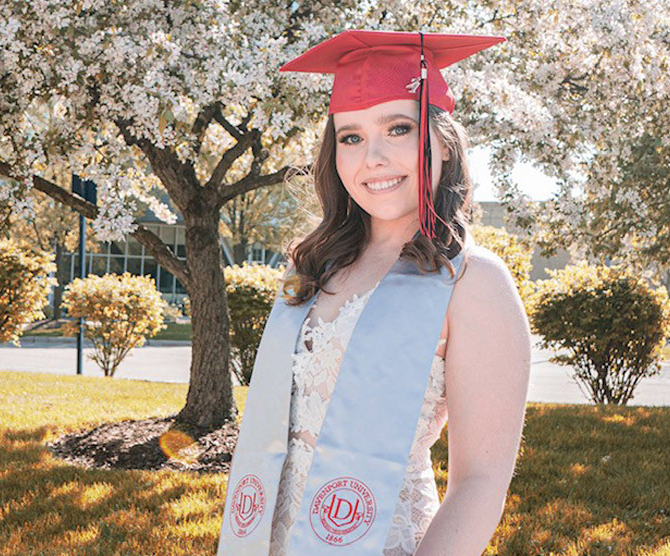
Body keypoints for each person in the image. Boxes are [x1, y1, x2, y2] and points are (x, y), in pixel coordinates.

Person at [217, 30, 530, 556]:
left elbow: (482, 480)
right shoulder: (313, 269)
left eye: (398, 128)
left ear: (442, 140)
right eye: (352, 137)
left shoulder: (472, 282)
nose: (373, 158)